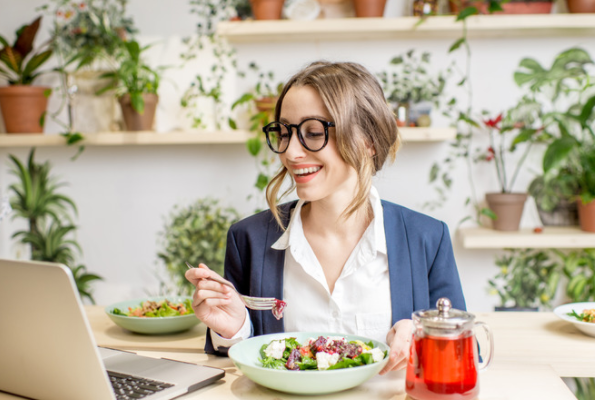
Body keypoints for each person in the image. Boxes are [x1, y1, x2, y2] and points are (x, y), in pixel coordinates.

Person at [185, 61, 466, 375]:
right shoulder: (248, 239)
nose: (290, 152)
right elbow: (234, 361)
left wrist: (424, 337)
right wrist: (234, 327)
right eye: (284, 132)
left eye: (313, 133)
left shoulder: (426, 238)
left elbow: (465, 355)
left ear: (368, 141)